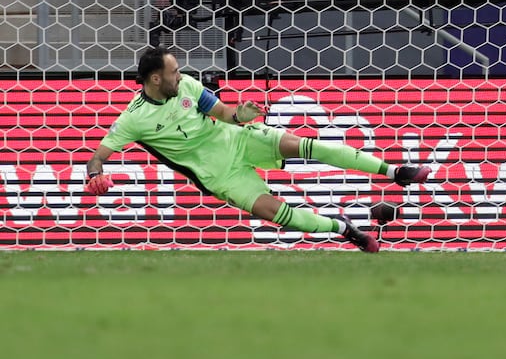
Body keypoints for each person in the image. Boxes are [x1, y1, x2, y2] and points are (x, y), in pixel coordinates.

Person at [83, 46, 431, 253]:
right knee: (278, 213)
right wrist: (96, 175)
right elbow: (98, 156)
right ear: (155, 79)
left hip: (237, 138)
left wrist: (240, 114)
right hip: (218, 173)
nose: (181, 75)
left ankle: (396, 172)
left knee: (307, 146)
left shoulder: (188, 85)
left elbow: (221, 113)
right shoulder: (134, 119)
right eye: (173, 72)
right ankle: (346, 231)